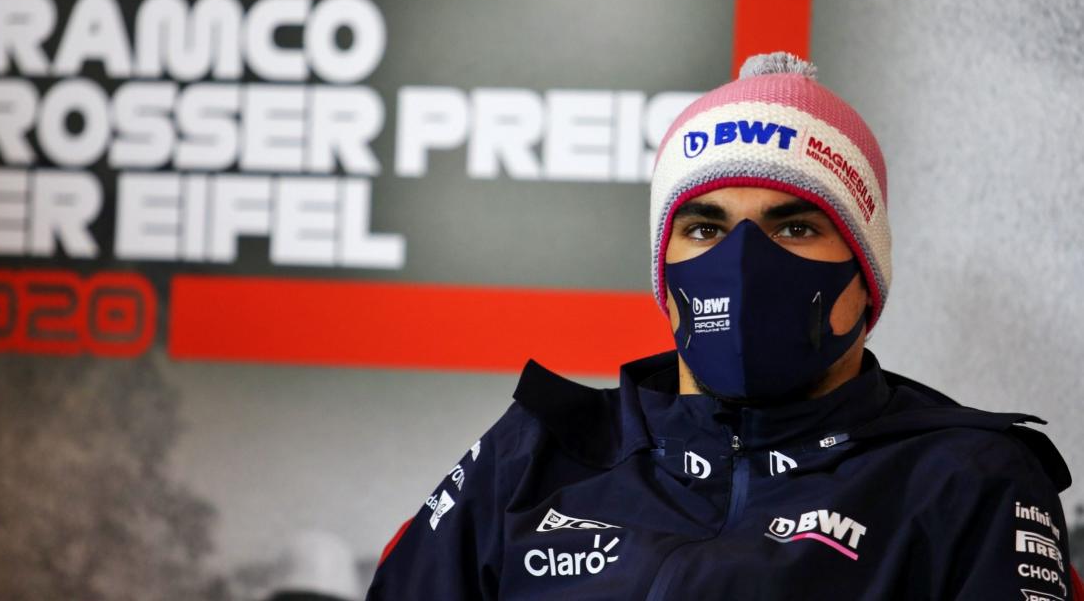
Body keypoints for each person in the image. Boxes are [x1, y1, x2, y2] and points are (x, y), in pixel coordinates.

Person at [365, 52, 1078, 600]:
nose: (742, 264)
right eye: (705, 228)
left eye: (794, 226)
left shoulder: (966, 478)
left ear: (866, 273)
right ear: (664, 272)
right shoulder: (535, 454)